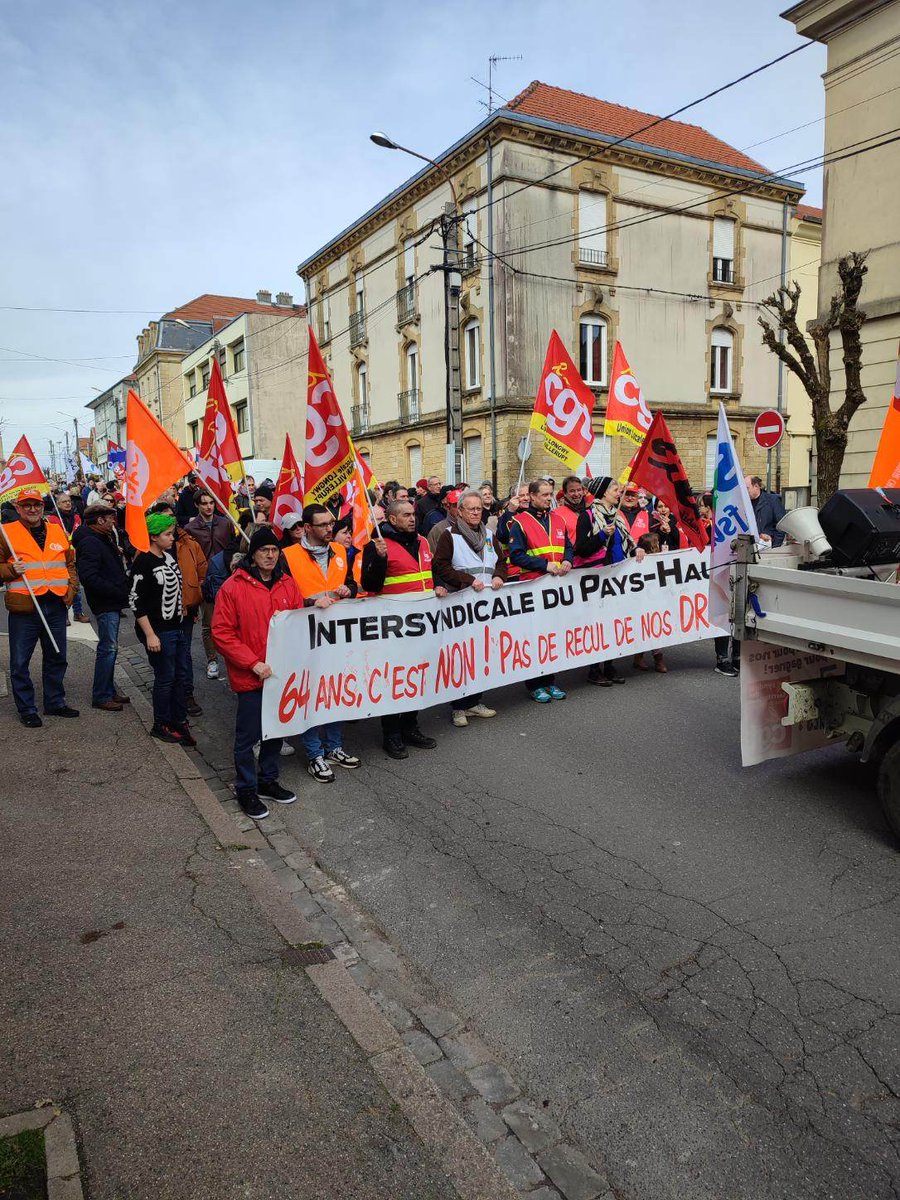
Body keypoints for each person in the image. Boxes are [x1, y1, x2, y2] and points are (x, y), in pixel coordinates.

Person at [211, 525, 304, 820]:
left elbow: (298, 622)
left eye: (274, 550)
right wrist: (252, 663)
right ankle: (246, 789)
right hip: (251, 675)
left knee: (276, 730)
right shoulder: (233, 586)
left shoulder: (288, 583)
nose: (270, 555)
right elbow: (222, 633)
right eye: (264, 550)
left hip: (279, 674)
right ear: (252, 555)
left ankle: (267, 781)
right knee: (248, 736)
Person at [360, 499, 445, 758]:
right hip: (393, 627)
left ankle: (410, 726)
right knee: (394, 680)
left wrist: (438, 584)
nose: (412, 518)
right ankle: (392, 734)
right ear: (392, 519)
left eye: (413, 514)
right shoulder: (376, 546)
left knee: (417, 677)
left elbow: (430, 571)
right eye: (406, 515)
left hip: (420, 625)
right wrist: (380, 559)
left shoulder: (421, 541)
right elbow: (370, 584)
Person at [282, 503, 361, 781]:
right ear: (307, 528)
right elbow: (281, 597)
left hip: (337, 635)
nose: (331, 529)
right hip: (305, 635)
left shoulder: (339, 551)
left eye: (331, 523)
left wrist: (348, 590)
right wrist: (310, 602)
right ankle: (315, 753)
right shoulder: (288, 556)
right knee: (311, 694)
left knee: (335, 690)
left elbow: (352, 583)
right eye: (324, 525)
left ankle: (334, 746)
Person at [0, 487, 79, 726]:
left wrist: (71, 589)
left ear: (43, 507)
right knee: (20, 662)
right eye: (27, 505)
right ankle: (27, 709)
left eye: (36, 504)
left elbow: (70, 564)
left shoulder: (57, 530)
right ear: (18, 508)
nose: (32, 509)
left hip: (55, 604)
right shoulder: (5, 533)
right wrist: (11, 570)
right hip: (25, 607)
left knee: (57, 655)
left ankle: (55, 702)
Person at [432, 490, 505, 727]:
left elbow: (501, 561)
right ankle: (458, 707)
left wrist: (499, 577)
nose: (476, 512)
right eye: (470, 509)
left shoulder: (489, 534)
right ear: (459, 511)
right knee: (461, 656)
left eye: (479, 509)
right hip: (461, 603)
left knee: (481, 654)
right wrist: (465, 580)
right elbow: (441, 567)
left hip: (485, 606)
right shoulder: (449, 536)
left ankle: (474, 700)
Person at [130, 512, 194, 744]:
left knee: (179, 675)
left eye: (172, 533)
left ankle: (178, 718)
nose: (172, 538)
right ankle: (160, 723)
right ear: (154, 536)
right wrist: (150, 634)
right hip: (158, 629)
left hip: (175, 626)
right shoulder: (143, 561)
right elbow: (135, 601)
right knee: (165, 677)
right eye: (167, 534)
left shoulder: (168, 558)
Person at [507, 479, 573, 702]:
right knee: (534, 638)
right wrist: (543, 565)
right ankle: (535, 684)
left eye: (550, 494)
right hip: (533, 586)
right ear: (532, 496)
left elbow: (568, 548)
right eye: (544, 494)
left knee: (551, 637)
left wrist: (568, 561)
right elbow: (515, 555)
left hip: (555, 588)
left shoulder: (558, 518)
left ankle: (550, 681)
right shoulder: (519, 522)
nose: (548, 498)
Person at [148, 501, 207, 716]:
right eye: (164, 517)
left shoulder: (188, 543)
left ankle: (185, 695)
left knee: (184, 655)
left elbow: (201, 571)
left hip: (186, 611)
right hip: (162, 617)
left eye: (172, 516)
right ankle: (167, 705)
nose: (170, 520)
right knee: (166, 661)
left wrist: (195, 596)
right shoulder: (148, 554)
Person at [74, 504, 132, 711]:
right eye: (110, 519)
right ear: (100, 521)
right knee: (108, 649)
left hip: (110, 600)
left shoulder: (101, 538)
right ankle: (101, 694)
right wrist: (116, 590)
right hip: (105, 602)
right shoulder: (91, 542)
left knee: (111, 648)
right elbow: (89, 577)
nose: (113, 522)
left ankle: (108, 689)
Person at [186, 492, 233, 679]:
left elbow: (231, 548)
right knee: (209, 623)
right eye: (204, 503)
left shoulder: (225, 524)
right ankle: (212, 660)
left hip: (226, 577)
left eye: (211, 503)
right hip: (205, 580)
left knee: (231, 621)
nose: (208, 507)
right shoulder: (190, 528)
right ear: (197, 505)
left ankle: (232, 659)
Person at [632, 532, 669, 673]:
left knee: (655, 629)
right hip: (642, 601)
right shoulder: (637, 561)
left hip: (656, 600)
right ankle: (642, 657)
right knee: (644, 628)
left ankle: (657, 658)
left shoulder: (661, 558)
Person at [744, 476, 786, 547]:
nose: (745, 491)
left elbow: (782, 526)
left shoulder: (772, 501)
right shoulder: (744, 503)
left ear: (756, 486)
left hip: (767, 549)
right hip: (748, 547)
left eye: (747, 488)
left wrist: (774, 544)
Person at [426, 487, 461, 551]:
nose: (460, 509)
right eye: (455, 506)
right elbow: (432, 554)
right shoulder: (438, 530)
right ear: (448, 507)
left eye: (462, 505)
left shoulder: (473, 526)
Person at [556, 475, 587, 543]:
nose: (576, 494)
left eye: (579, 490)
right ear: (565, 493)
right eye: (572, 491)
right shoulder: (556, 514)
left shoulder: (590, 510)